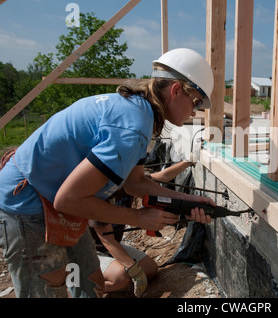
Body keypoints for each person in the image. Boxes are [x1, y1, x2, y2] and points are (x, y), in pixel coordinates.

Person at [0, 48, 215, 298]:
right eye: (196, 102)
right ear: (176, 90)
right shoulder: (131, 127)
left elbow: (136, 183)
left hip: (57, 200)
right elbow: (68, 199)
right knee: (48, 289)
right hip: (28, 203)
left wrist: (190, 200)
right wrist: (139, 218)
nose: (194, 112)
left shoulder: (141, 114)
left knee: (88, 280)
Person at [89, 161, 196, 298]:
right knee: (121, 277)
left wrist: (188, 161)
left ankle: (115, 274)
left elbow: (163, 176)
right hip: (93, 250)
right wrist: (132, 268)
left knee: (150, 269)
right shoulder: (101, 193)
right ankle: (85, 285)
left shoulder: (130, 184)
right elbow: (107, 240)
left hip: (110, 245)